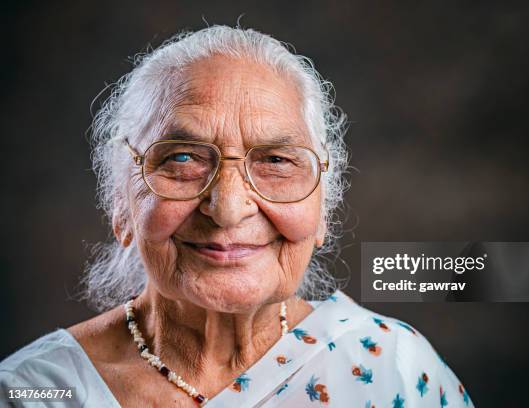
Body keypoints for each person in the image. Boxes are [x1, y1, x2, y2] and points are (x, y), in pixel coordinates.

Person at [0, 26, 474, 407]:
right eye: (183, 159)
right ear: (121, 203)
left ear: (322, 208)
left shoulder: (393, 370)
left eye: (276, 162)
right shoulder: (34, 392)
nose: (227, 208)